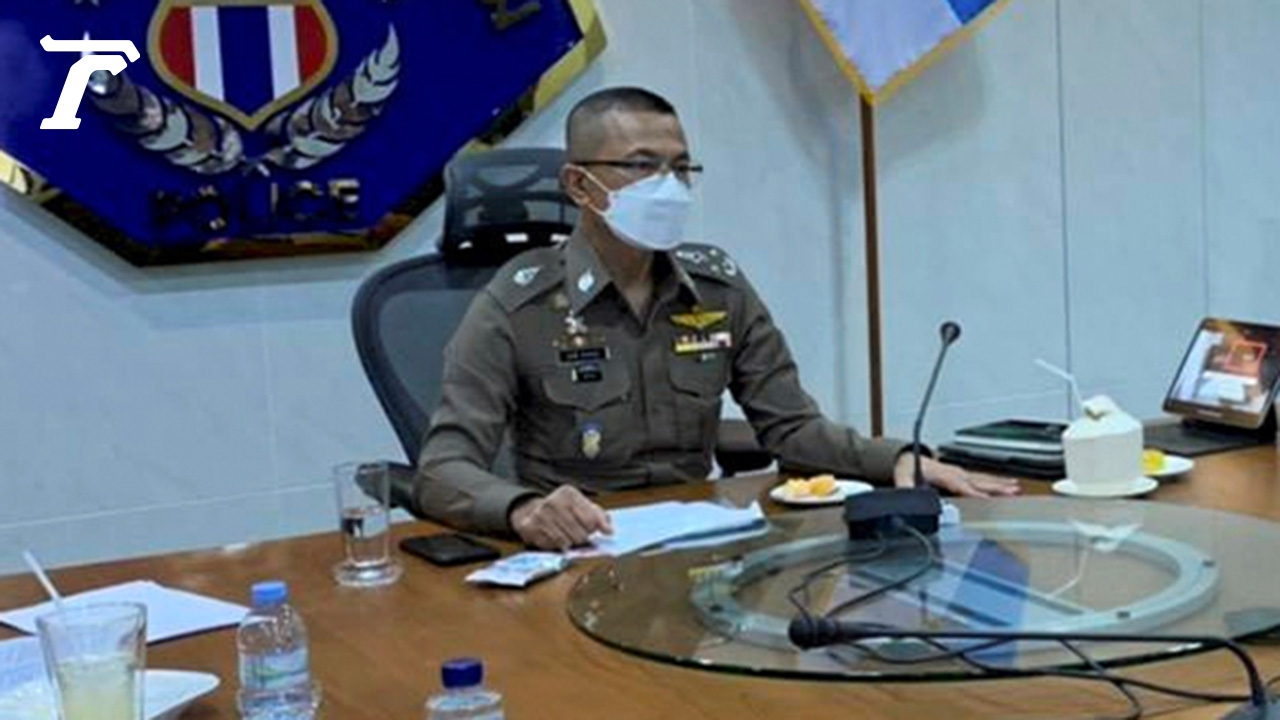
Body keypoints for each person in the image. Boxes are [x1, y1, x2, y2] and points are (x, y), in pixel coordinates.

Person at [415, 86, 1019, 550]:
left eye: (681, 168)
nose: (669, 186)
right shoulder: (518, 304)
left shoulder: (716, 289)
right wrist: (524, 509)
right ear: (579, 185)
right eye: (642, 166)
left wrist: (898, 460)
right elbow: (442, 470)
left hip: (697, 546)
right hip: (578, 548)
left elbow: (791, 428)